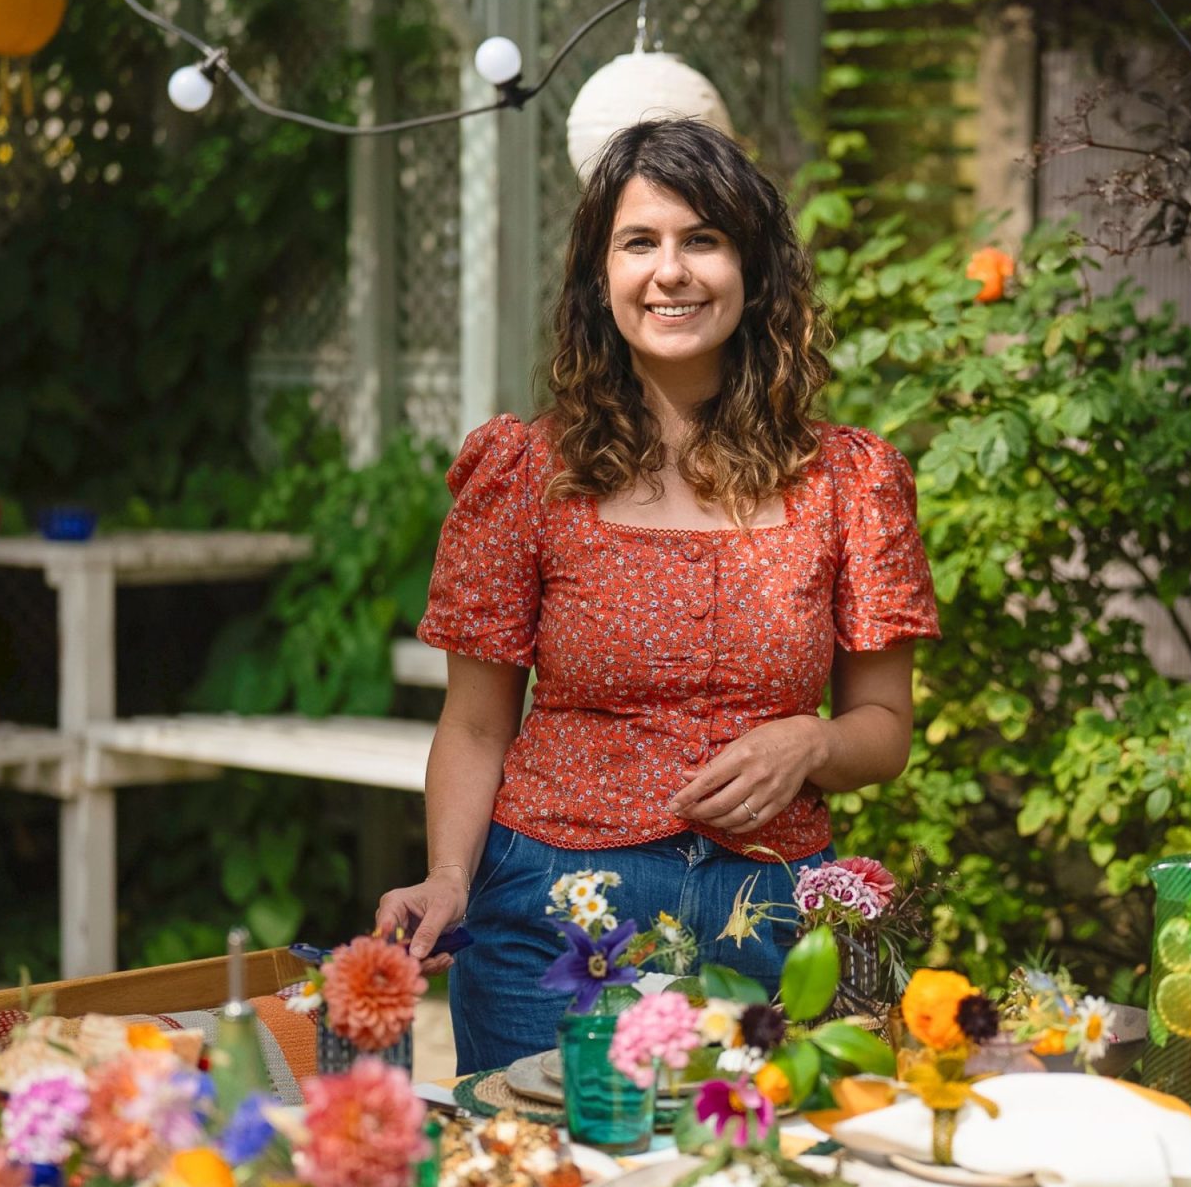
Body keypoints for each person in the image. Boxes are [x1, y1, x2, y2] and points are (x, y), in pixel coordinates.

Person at [374, 118, 939, 1074]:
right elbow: (474, 726)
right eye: (640, 242)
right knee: (546, 1178)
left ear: (753, 270)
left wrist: (815, 742)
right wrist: (447, 876)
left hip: (773, 919)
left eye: (702, 240)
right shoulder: (527, 473)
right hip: (551, 910)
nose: (670, 272)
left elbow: (883, 722)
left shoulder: (849, 480)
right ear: (601, 277)